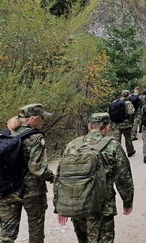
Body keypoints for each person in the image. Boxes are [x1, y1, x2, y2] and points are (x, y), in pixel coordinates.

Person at [56, 112, 134, 242]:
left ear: (89, 126)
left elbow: (60, 176)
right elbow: (123, 177)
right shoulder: (113, 146)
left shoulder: (72, 145)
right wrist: (127, 201)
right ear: (108, 127)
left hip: (77, 205)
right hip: (102, 206)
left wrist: (60, 207)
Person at [0, 103, 54, 243]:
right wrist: (53, 177)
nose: (43, 120)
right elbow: (37, 169)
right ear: (33, 119)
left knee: (6, 234)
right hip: (32, 192)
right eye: (41, 117)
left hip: (7, 190)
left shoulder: (5, 133)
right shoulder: (36, 138)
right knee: (35, 230)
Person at [110, 90, 136, 157]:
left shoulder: (114, 102)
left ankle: (116, 154)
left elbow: (109, 112)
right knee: (128, 138)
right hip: (126, 124)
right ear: (128, 95)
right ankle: (130, 151)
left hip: (116, 124)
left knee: (117, 140)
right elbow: (131, 112)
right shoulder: (128, 103)